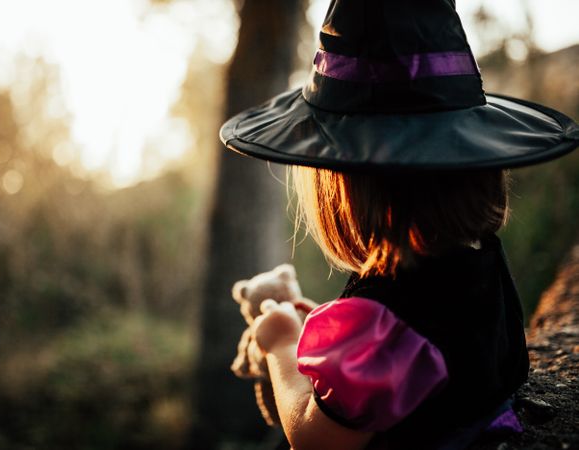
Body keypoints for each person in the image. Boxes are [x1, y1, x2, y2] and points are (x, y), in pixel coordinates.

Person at [219, 0, 579, 449]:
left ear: (343, 189)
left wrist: (280, 345)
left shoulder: (384, 319)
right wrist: (330, 342)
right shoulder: (480, 263)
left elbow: (316, 438)